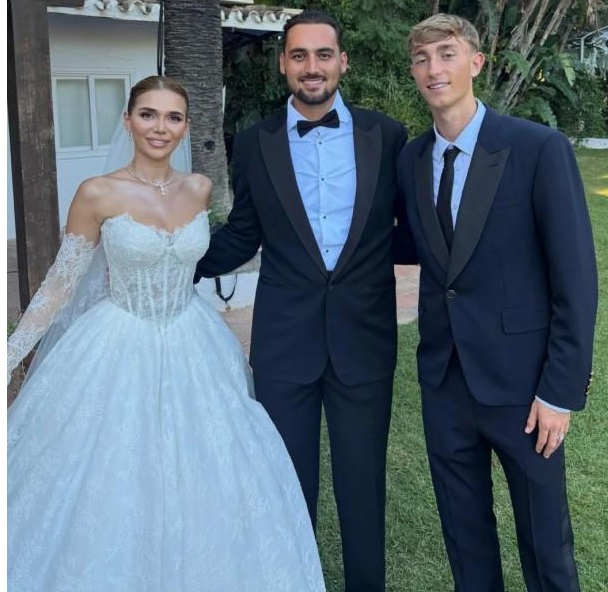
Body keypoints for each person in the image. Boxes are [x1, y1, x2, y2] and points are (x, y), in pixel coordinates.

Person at [6, 75, 326, 592]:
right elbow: (60, 286)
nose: (160, 127)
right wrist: (9, 355)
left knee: (212, 465)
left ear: (186, 127)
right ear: (128, 121)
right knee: (111, 471)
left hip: (194, 341)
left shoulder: (199, 189)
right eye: (148, 114)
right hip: (118, 342)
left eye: (173, 117)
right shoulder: (97, 193)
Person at [195, 9, 415, 592]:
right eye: (299, 55)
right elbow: (244, 233)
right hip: (283, 344)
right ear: (283, 64)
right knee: (285, 484)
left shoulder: (387, 136)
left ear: (343, 62)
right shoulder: (254, 142)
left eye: (322, 54)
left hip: (364, 341)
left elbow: (412, 229)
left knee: (363, 485)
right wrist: (174, 263)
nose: (311, 67)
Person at [398, 14, 598, 592]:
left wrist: (559, 391)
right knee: (466, 543)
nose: (434, 69)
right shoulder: (411, 159)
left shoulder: (537, 148)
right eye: (421, 59)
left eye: (446, 53)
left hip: (524, 388)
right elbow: (410, 245)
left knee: (546, 546)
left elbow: (576, 279)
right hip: (444, 382)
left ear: (476, 62)